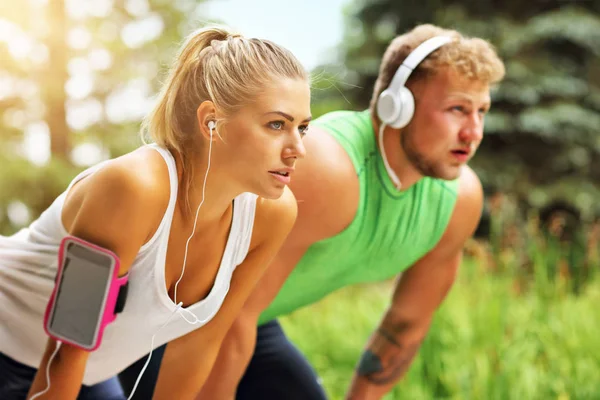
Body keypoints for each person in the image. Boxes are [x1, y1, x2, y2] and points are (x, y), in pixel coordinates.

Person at [194, 23, 507, 400]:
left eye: (482, 111)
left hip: (250, 322)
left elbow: (404, 327)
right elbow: (232, 310)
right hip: (170, 313)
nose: (474, 132)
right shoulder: (330, 170)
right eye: (457, 109)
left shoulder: (458, 199)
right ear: (398, 105)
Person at [0, 25, 311, 400]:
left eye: (302, 128)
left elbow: (200, 341)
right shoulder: (132, 188)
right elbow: (68, 348)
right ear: (211, 121)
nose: (298, 148)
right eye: (277, 124)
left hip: (87, 374)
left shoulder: (272, 213)